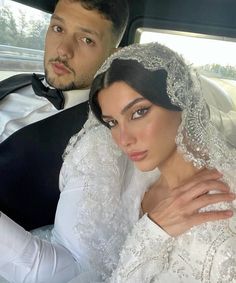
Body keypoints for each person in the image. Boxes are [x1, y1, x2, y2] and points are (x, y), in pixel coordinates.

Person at [86, 42, 236, 282]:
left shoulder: (222, 213)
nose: (124, 140)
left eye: (138, 112)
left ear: (181, 102)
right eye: (112, 122)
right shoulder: (140, 183)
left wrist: (150, 234)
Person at [0, 0, 129, 230]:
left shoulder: (98, 141)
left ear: (113, 57)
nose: (63, 50)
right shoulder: (16, 81)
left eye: (86, 40)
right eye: (58, 29)